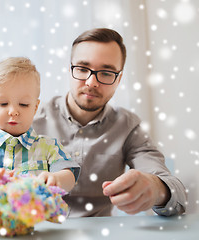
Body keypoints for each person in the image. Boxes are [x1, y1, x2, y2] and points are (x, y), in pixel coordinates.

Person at [33, 28, 187, 217]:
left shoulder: (128, 127)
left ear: (119, 79)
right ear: (70, 69)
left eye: (106, 73)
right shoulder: (30, 119)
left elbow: (177, 197)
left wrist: (156, 189)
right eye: (82, 69)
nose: (91, 82)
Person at [0, 57, 80, 193]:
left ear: (35, 107)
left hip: (34, 213)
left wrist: (56, 179)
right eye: (3, 104)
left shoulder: (49, 146)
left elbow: (69, 176)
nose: (13, 111)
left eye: (23, 104)